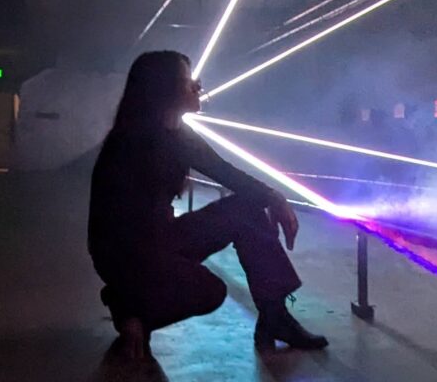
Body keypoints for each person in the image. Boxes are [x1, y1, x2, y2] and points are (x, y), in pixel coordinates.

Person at [88, 50, 328, 360]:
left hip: (159, 238)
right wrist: (131, 278)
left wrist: (274, 198)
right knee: (209, 291)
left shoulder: (176, 135)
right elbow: (110, 229)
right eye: (188, 82)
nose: (198, 87)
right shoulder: (131, 142)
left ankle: (275, 316)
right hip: (125, 253)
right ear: (165, 90)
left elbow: (226, 172)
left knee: (246, 210)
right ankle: (129, 307)